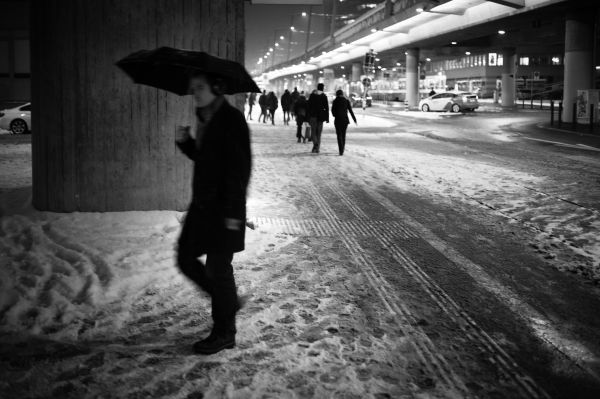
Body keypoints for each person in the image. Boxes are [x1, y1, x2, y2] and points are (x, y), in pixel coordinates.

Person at [175, 72, 252, 355]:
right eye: (192, 86)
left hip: (224, 210)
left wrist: (233, 215)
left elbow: (239, 170)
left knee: (218, 270)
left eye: (200, 86)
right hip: (203, 207)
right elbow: (208, 162)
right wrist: (187, 144)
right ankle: (227, 301)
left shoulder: (231, 120)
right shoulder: (206, 118)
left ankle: (224, 332)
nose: (194, 91)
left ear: (217, 86)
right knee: (185, 257)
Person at [331, 89, 357, 156]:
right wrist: (354, 119)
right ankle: (342, 149)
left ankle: (341, 150)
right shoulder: (346, 101)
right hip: (345, 120)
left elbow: (332, 110)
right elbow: (350, 111)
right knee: (343, 135)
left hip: (337, 120)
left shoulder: (335, 101)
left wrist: (335, 115)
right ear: (342, 94)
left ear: (337, 94)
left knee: (339, 135)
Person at [307, 83, 329, 153]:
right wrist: (327, 118)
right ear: (322, 88)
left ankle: (315, 144)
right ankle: (317, 148)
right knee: (319, 133)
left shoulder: (312, 96)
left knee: (313, 132)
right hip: (321, 117)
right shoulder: (324, 96)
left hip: (313, 116)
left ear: (317, 88)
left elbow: (308, 106)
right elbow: (327, 108)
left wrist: (308, 116)